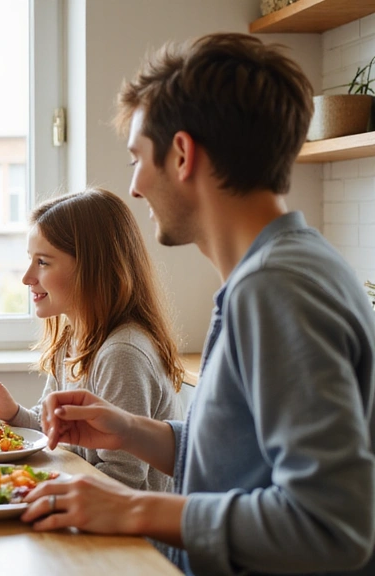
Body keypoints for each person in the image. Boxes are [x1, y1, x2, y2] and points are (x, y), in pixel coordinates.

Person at [23, 33, 375, 576]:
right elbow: (241, 459)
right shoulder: (280, 271)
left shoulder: (277, 290)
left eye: (138, 157)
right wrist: (133, 431)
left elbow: (331, 524)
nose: (135, 187)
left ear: (183, 154)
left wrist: (131, 507)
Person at [0, 188, 182, 492]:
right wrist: (12, 413)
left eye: (43, 262)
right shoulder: (71, 338)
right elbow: (56, 431)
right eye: (31, 259)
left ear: (91, 269)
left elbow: (123, 480)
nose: (27, 277)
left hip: (132, 534)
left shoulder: (122, 354)